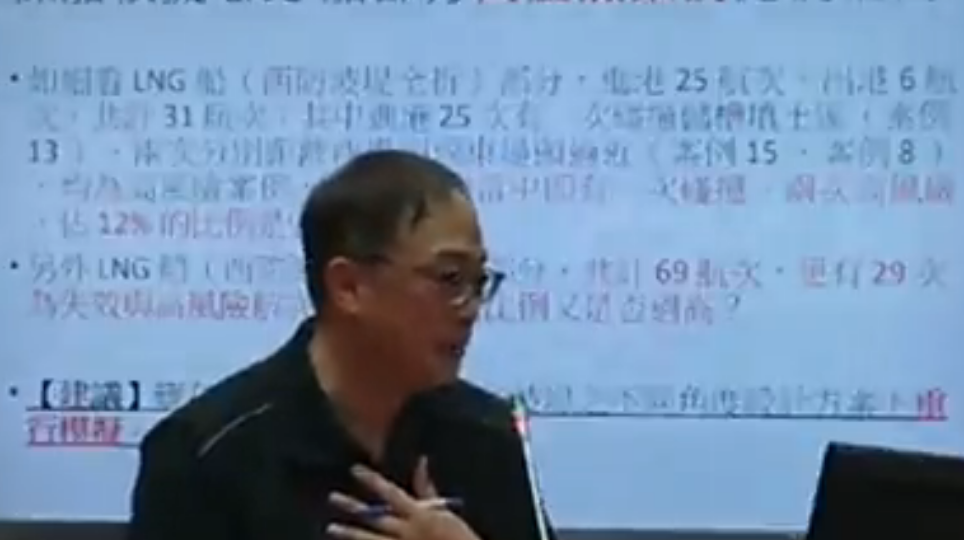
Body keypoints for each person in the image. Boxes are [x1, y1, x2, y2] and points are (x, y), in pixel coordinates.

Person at [127, 150, 554, 540]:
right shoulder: (205, 455)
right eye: (449, 279)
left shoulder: (489, 435)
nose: (470, 309)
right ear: (348, 286)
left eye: (478, 282)